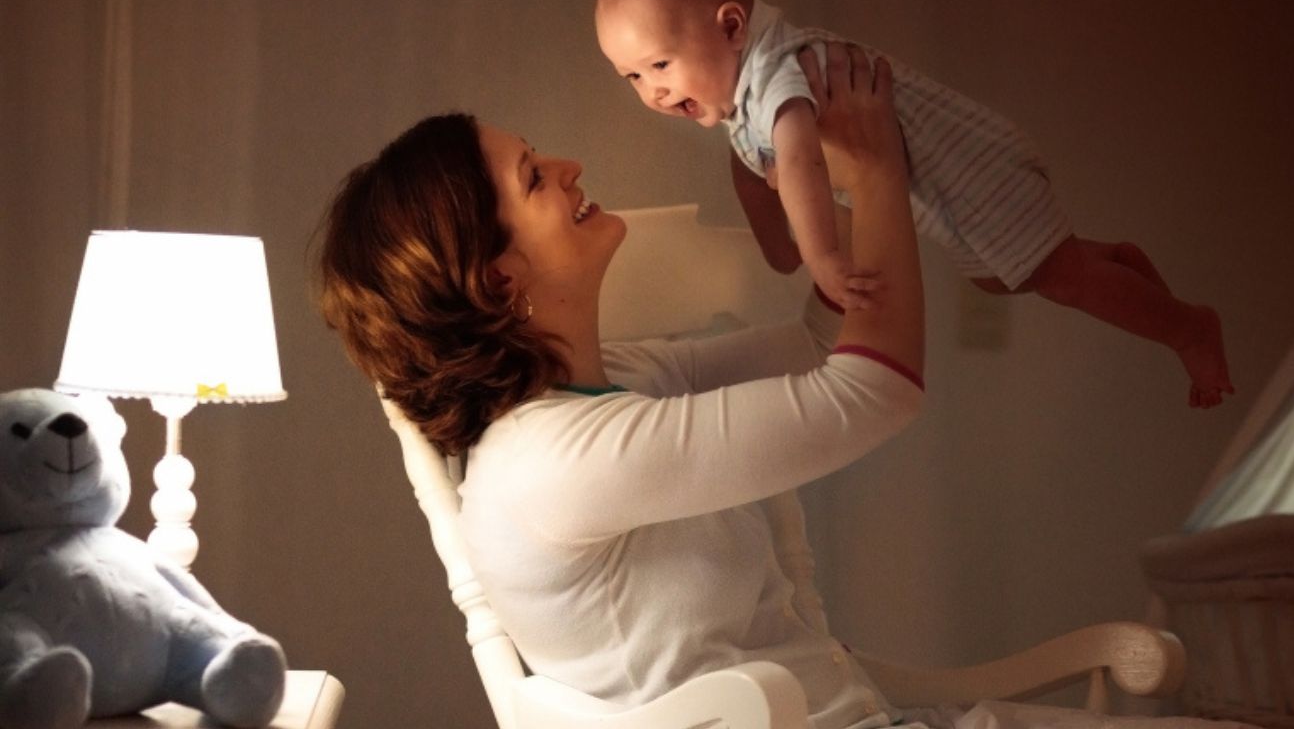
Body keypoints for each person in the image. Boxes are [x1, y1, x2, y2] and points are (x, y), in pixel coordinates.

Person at [317, 46, 1244, 729]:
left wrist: (822, 193)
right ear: (497, 281)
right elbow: (873, 390)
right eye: (533, 176)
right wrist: (877, 168)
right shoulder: (550, 465)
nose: (569, 168)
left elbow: (821, 342)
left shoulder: (613, 385)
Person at [593, 0, 1234, 408]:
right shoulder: (744, 97)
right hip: (947, 189)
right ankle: (1118, 263)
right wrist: (775, 245)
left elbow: (799, 158)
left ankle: (1189, 328)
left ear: (731, 26)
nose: (650, 91)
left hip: (973, 169)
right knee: (1003, 281)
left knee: (1056, 276)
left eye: (660, 64)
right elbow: (750, 165)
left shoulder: (781, 69)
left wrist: (818, 257)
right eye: (630, 77)